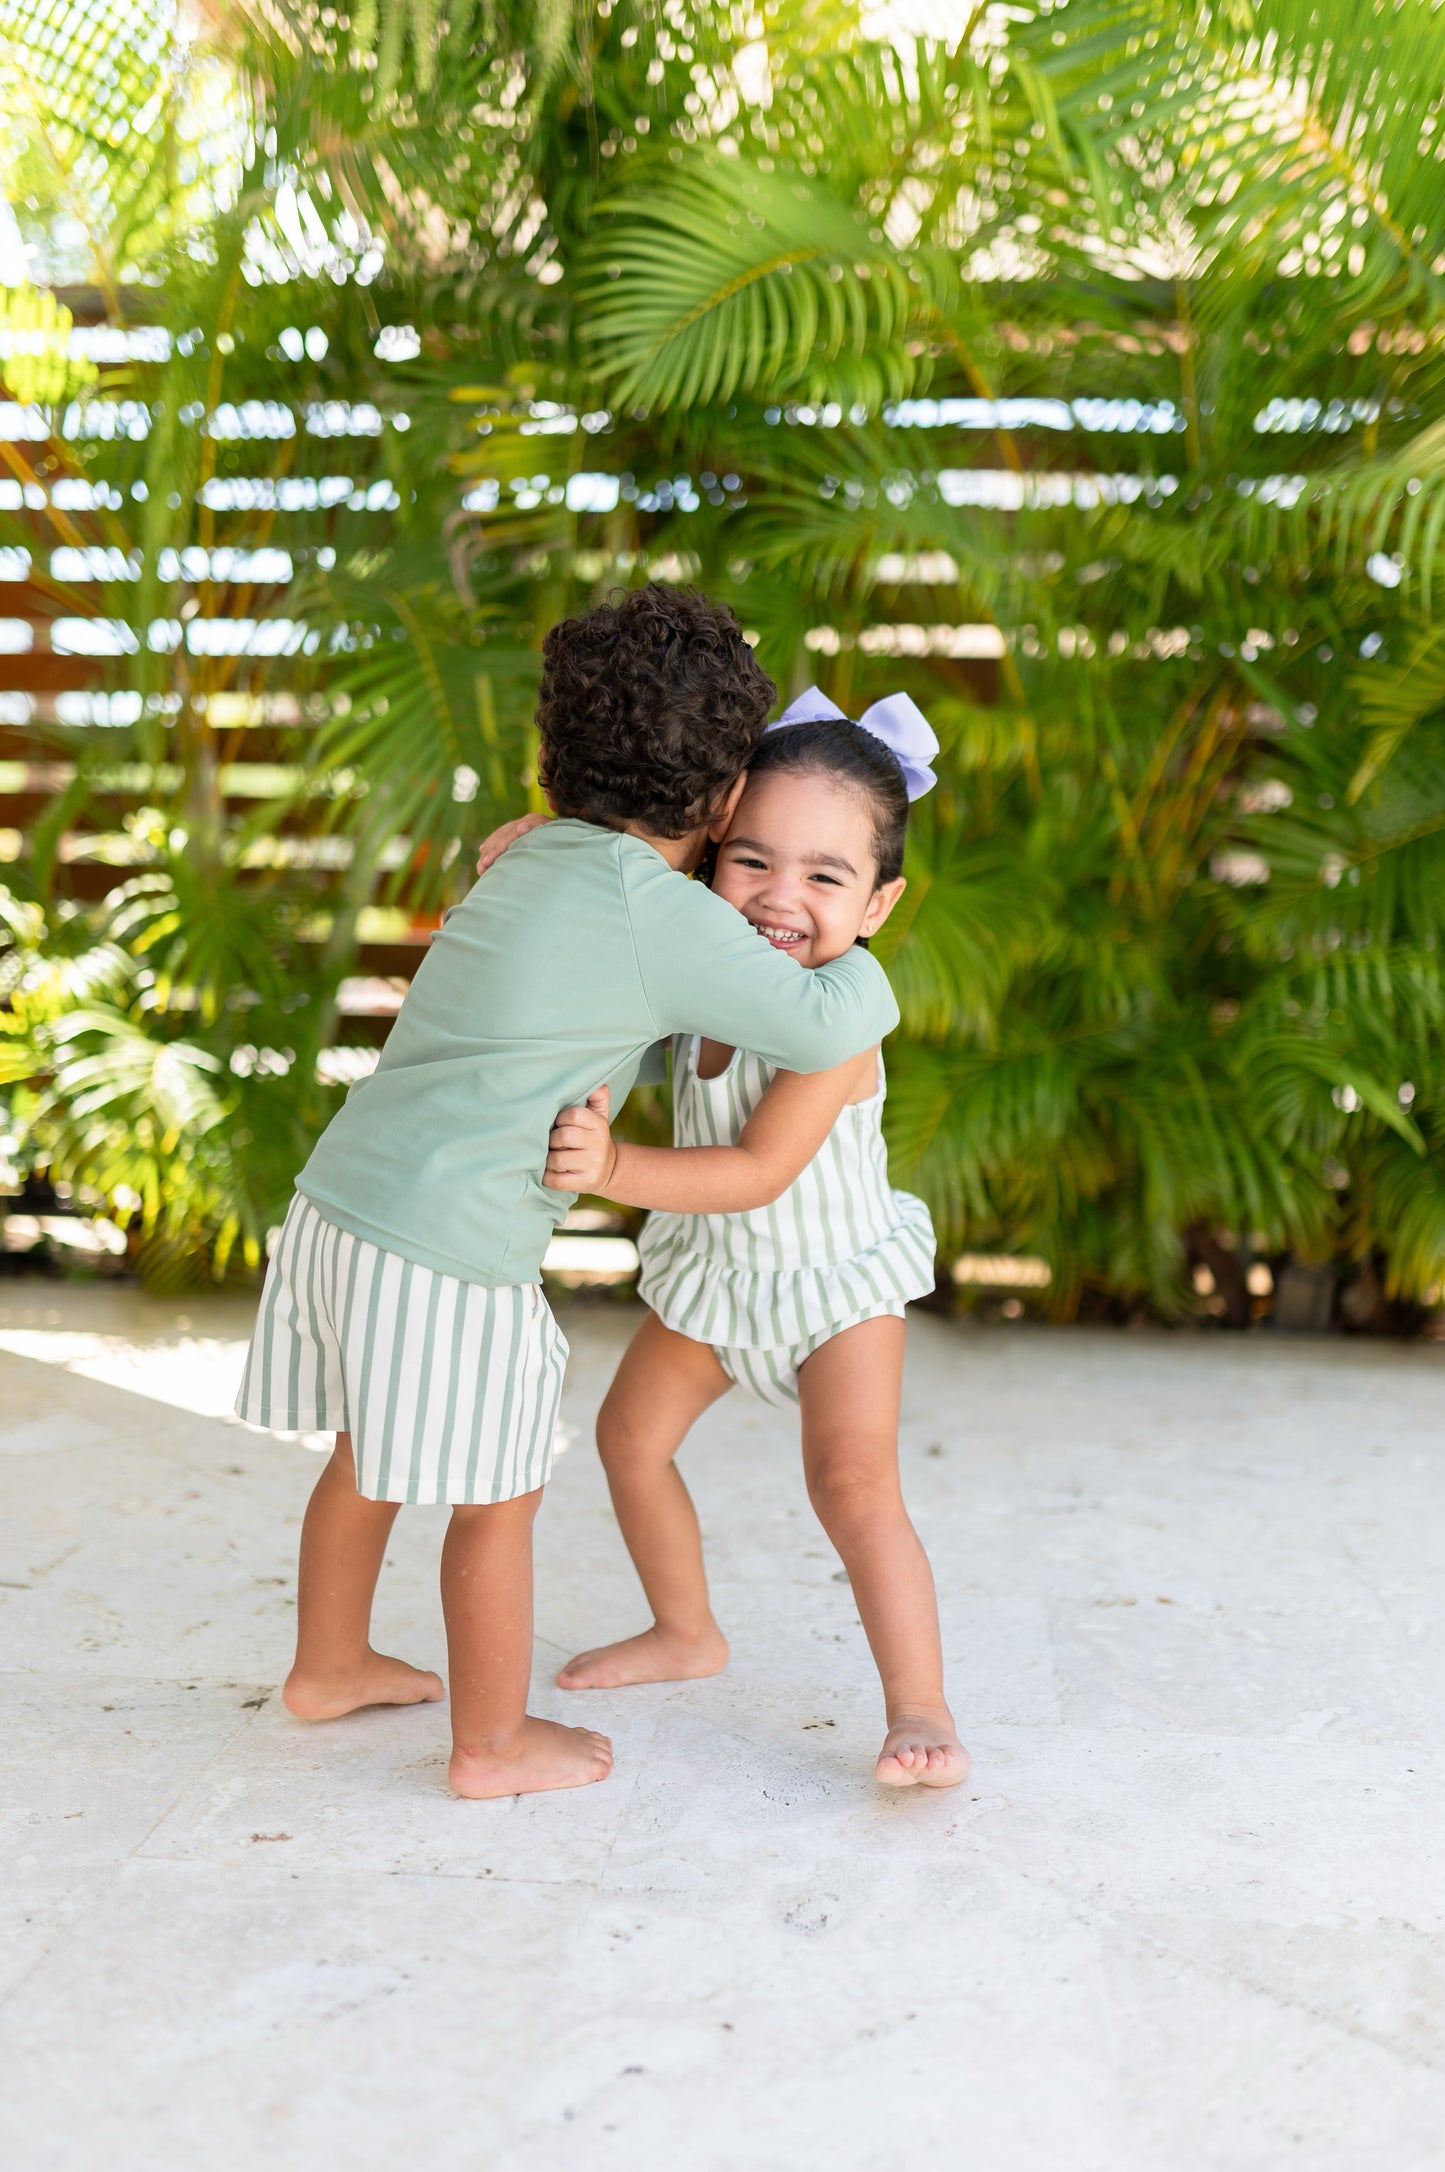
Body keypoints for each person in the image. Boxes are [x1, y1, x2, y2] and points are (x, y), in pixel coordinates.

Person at [234, 595, 900, 1800]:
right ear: (721, 805)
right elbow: (823, 1021)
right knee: (497, 1497)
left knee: (364, 1454)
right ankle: (491, 1746)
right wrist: (869, 956)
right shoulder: (663, 913)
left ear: (554, 756)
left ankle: (326, 1667)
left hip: (340, 1202)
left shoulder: (530, 854)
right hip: (449, 1246)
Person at [539, 687, 969, 1789]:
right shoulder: (702, 970)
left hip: (833, 1289)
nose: (780, 897)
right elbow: (602, 899)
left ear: (877, 904)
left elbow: (757, 1169)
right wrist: (534, 838)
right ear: (706, 858)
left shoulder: (842, 1016)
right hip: (718, 1283)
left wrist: (615, 1170)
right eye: (751, 861)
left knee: (852, 1485)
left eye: (825, 877)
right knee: (627, 1440)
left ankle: (918, 1706)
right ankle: (685, 1630)